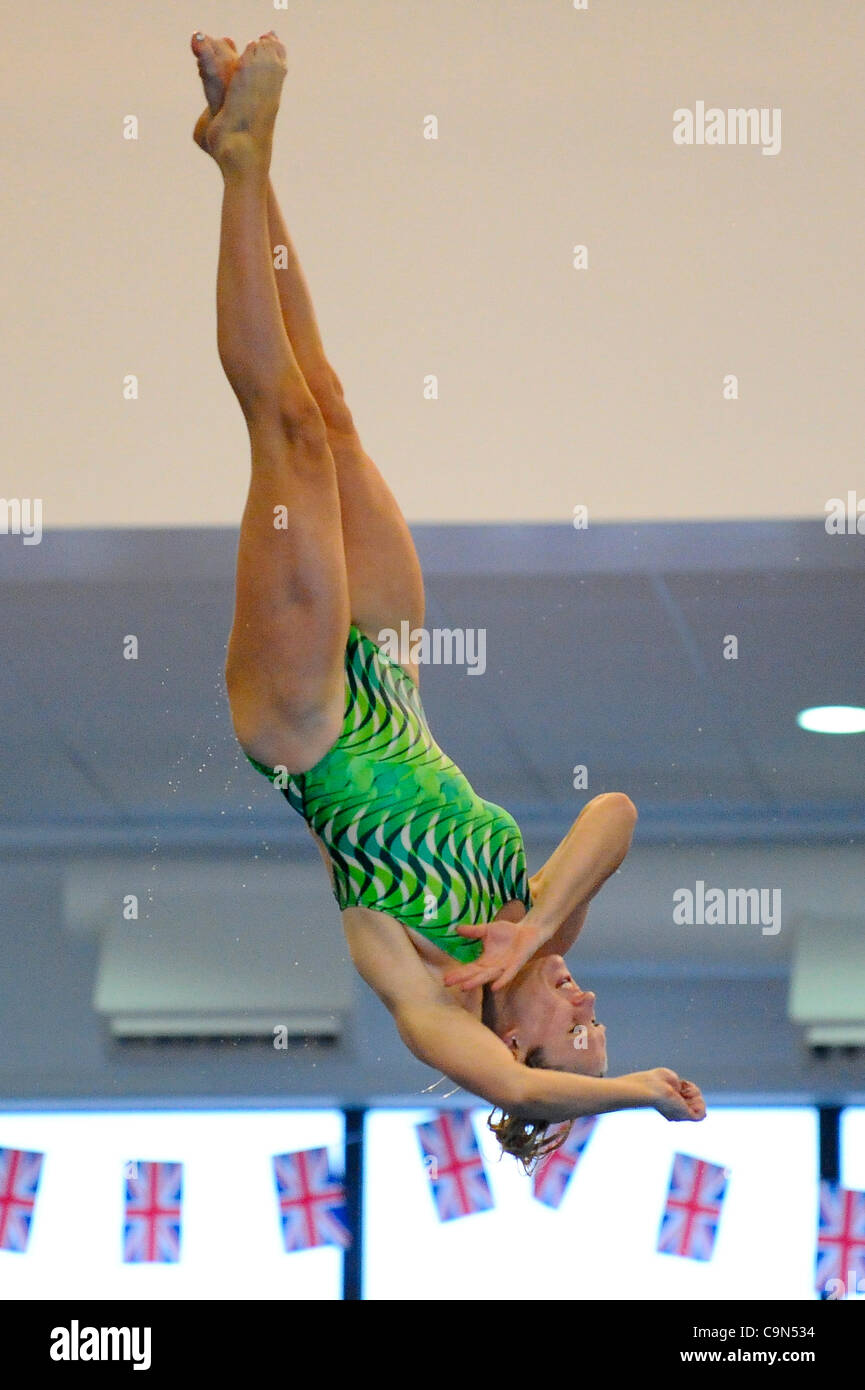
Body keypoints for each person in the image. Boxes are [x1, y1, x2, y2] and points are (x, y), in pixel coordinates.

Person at [191, 29, 706, 1169]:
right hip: (387, 668)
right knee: (326, 407)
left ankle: (235, 164)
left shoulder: (427, 994)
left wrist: (624, 1088)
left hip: (307, 727)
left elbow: (517, 1086)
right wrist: (532, 917)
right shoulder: (529, 918)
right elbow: (613, 814)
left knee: (282, 434)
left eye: (574, 1031)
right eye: (595, 1018)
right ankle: (249, 155)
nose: (581, 1004)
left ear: (515, 1042)